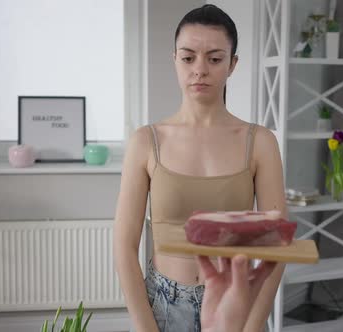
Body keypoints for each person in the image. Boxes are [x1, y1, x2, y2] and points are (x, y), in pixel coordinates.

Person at [113, 4, 287, 331]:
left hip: (235, 305)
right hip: (164, 303)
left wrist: (252, 326)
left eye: (215, 58)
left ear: (233, 64)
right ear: (175, 59)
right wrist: (145, 327)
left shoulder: (260, 142)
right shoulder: (145, 142)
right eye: (188, 57)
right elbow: (124, 244)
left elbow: (275, 248)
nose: (200, 69)